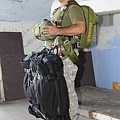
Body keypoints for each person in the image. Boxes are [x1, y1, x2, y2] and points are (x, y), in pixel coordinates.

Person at [43, 0, 86, 119]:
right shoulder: (57, 9)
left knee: (67, 90)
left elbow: (81, 28)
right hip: (55, 56)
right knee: (57, 91)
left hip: (67, 56)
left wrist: (58, 31)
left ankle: (71, 117)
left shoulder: (73, 8)